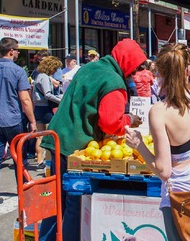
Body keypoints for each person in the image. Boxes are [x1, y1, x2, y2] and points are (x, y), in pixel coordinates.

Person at [124, 43, 190, 241]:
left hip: (181, 204)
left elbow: (164, 171)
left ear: (159, 74)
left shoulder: (159, 111)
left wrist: (139, 145)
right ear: (188, 70)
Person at [39, 39, 145, 240]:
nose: (134, 74)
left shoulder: (91, 67)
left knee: (56, 203)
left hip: (58, 137)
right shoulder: (113, 82)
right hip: (75, 146)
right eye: (134, 69)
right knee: (75, 204)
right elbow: (110, 123)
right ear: (127, 62)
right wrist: (129, 119)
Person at [0, 38, 37, 209]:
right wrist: (33, 121)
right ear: (11, 51)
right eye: (18, 50)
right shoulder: (18, 71)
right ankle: (24, 191)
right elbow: (25, 100)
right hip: (13, 120)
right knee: (19, 156)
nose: (19, 53)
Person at [32, 56, 63, 170]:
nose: (56, 71)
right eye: (55, 68)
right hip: (45, 108)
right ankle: (49, 161)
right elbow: (47, 94)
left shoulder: (38, 76)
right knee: (51, 135)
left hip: (38, 108)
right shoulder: (44, 77)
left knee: (39, 136)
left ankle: (40, 161)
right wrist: (60, 100)